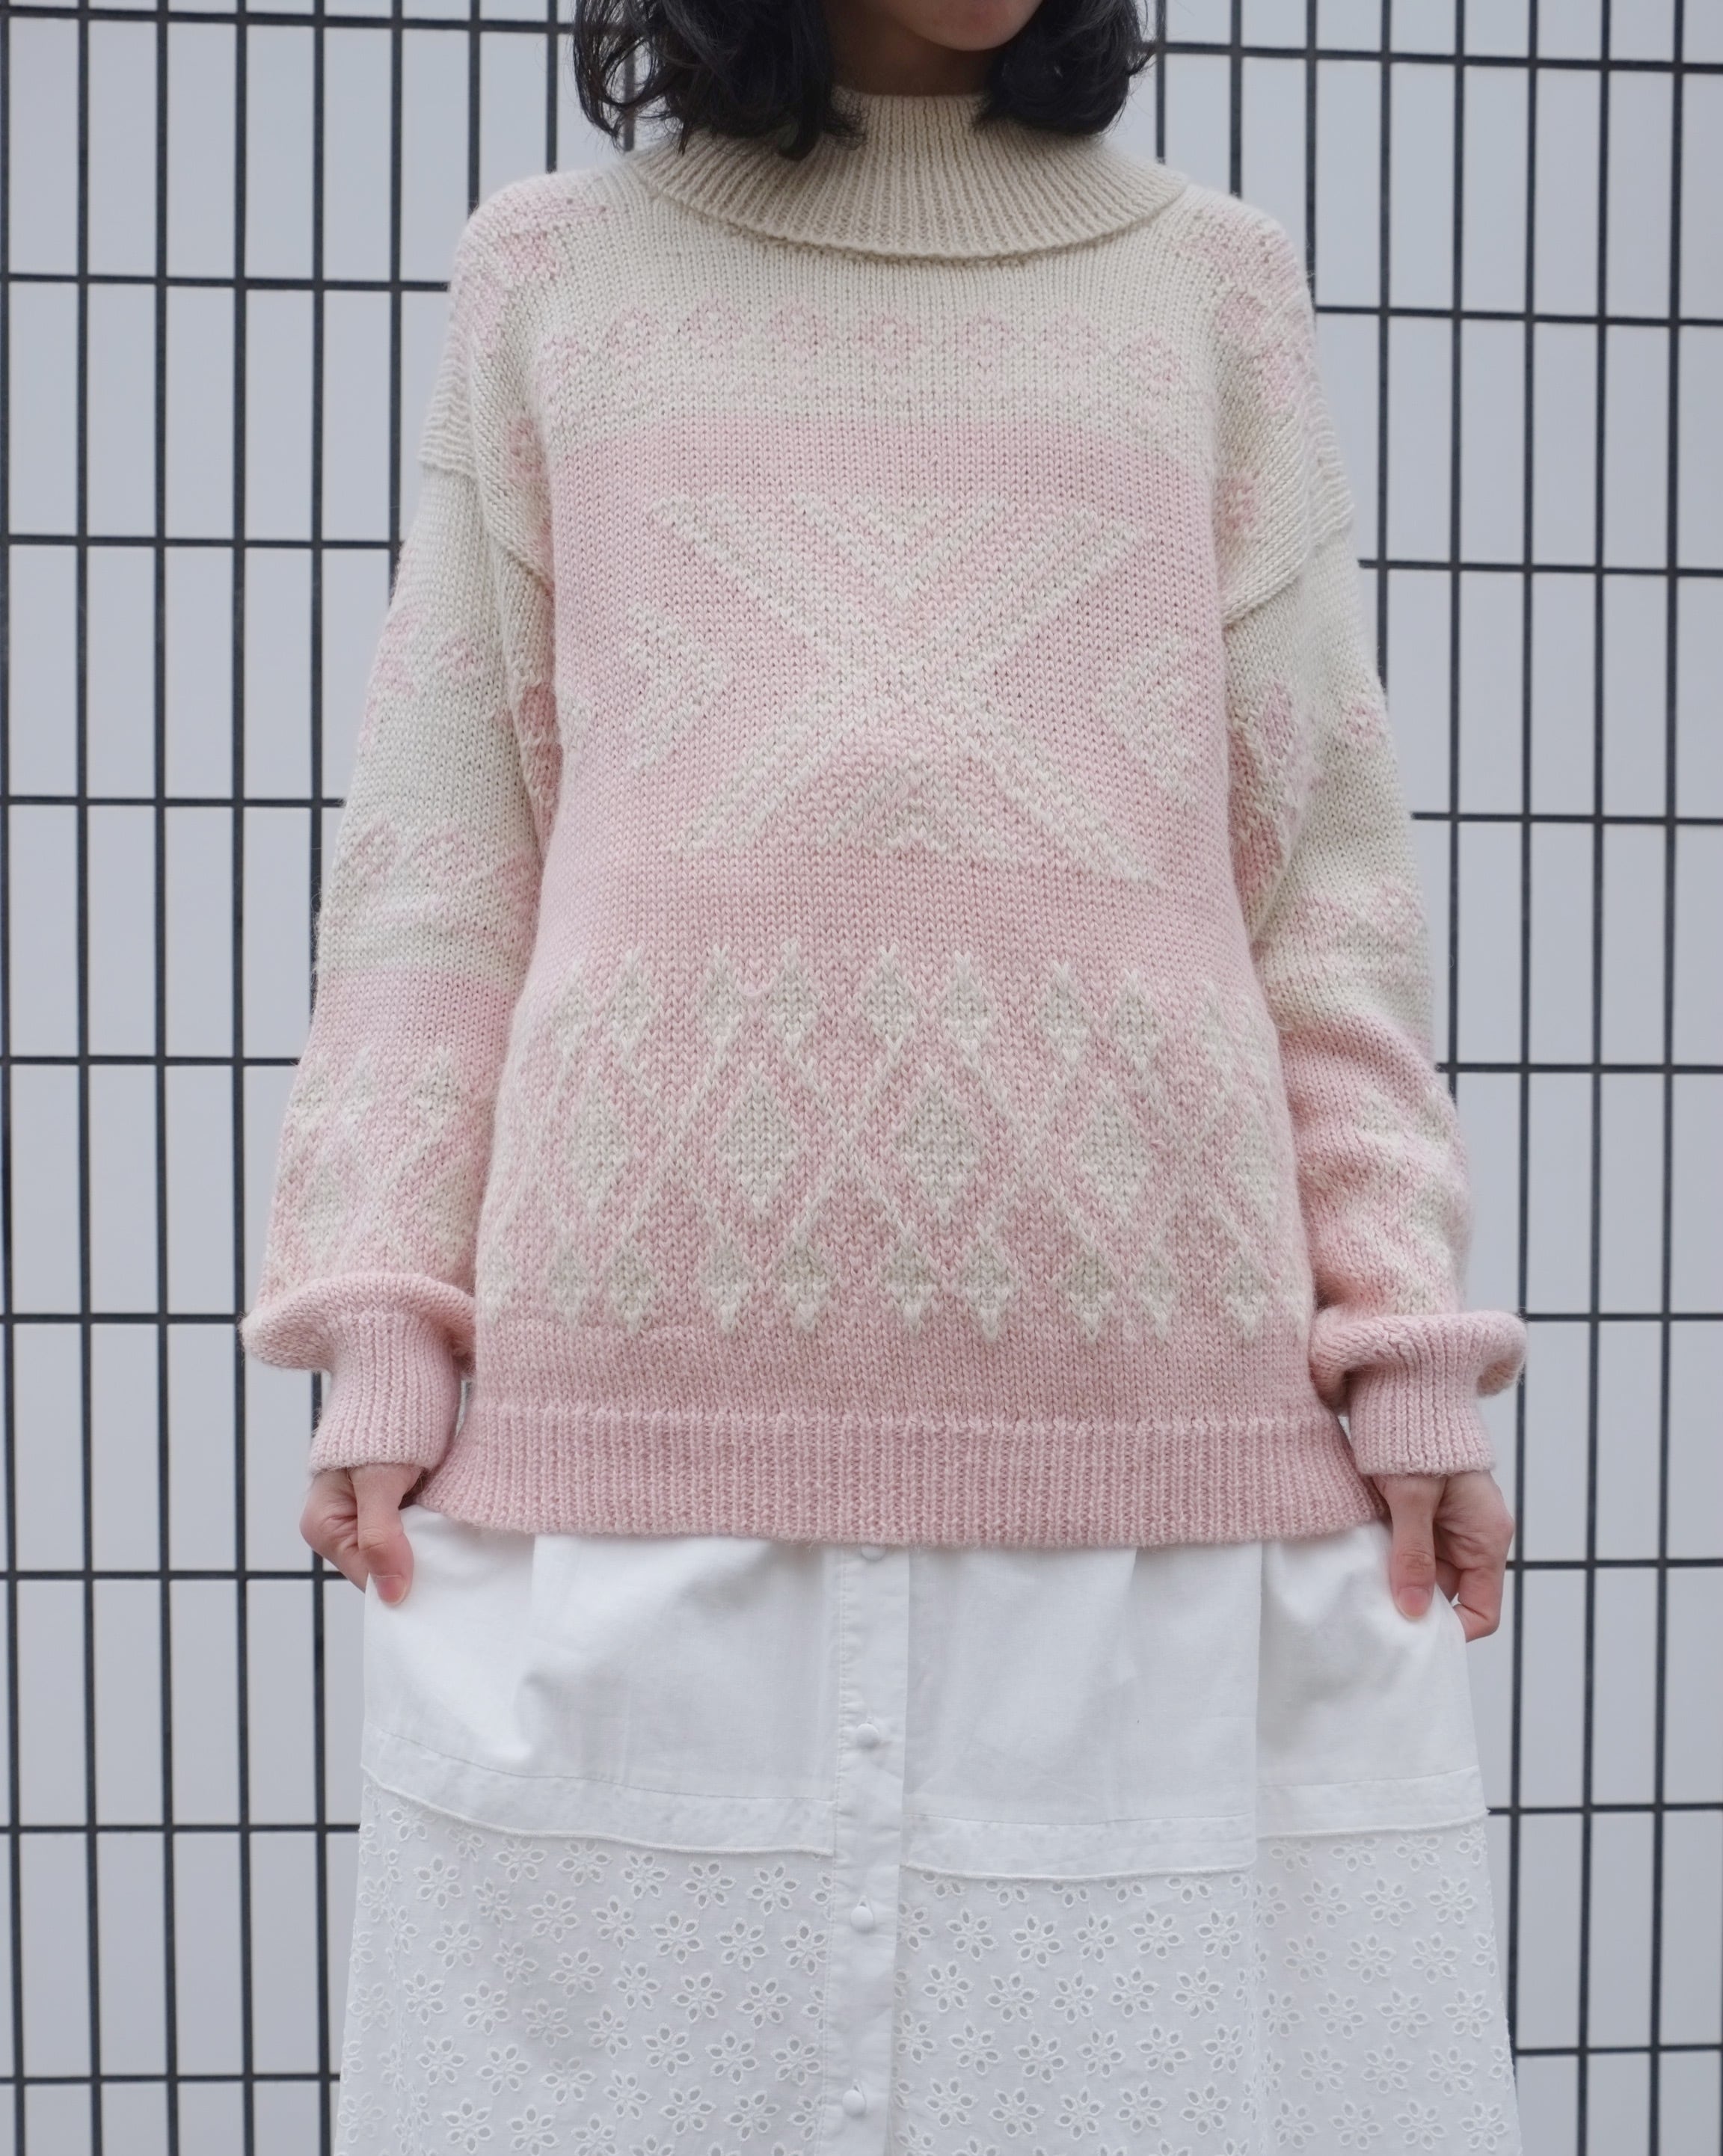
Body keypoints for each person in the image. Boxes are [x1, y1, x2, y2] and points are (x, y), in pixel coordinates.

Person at [239, 1, 1529, 2148]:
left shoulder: (1207, 286)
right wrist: (376, 1301)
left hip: (1142, 1442)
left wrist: (1404, 1335)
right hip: (634, 1441)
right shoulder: (555, 277)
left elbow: (1321, 874)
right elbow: (446, 842)